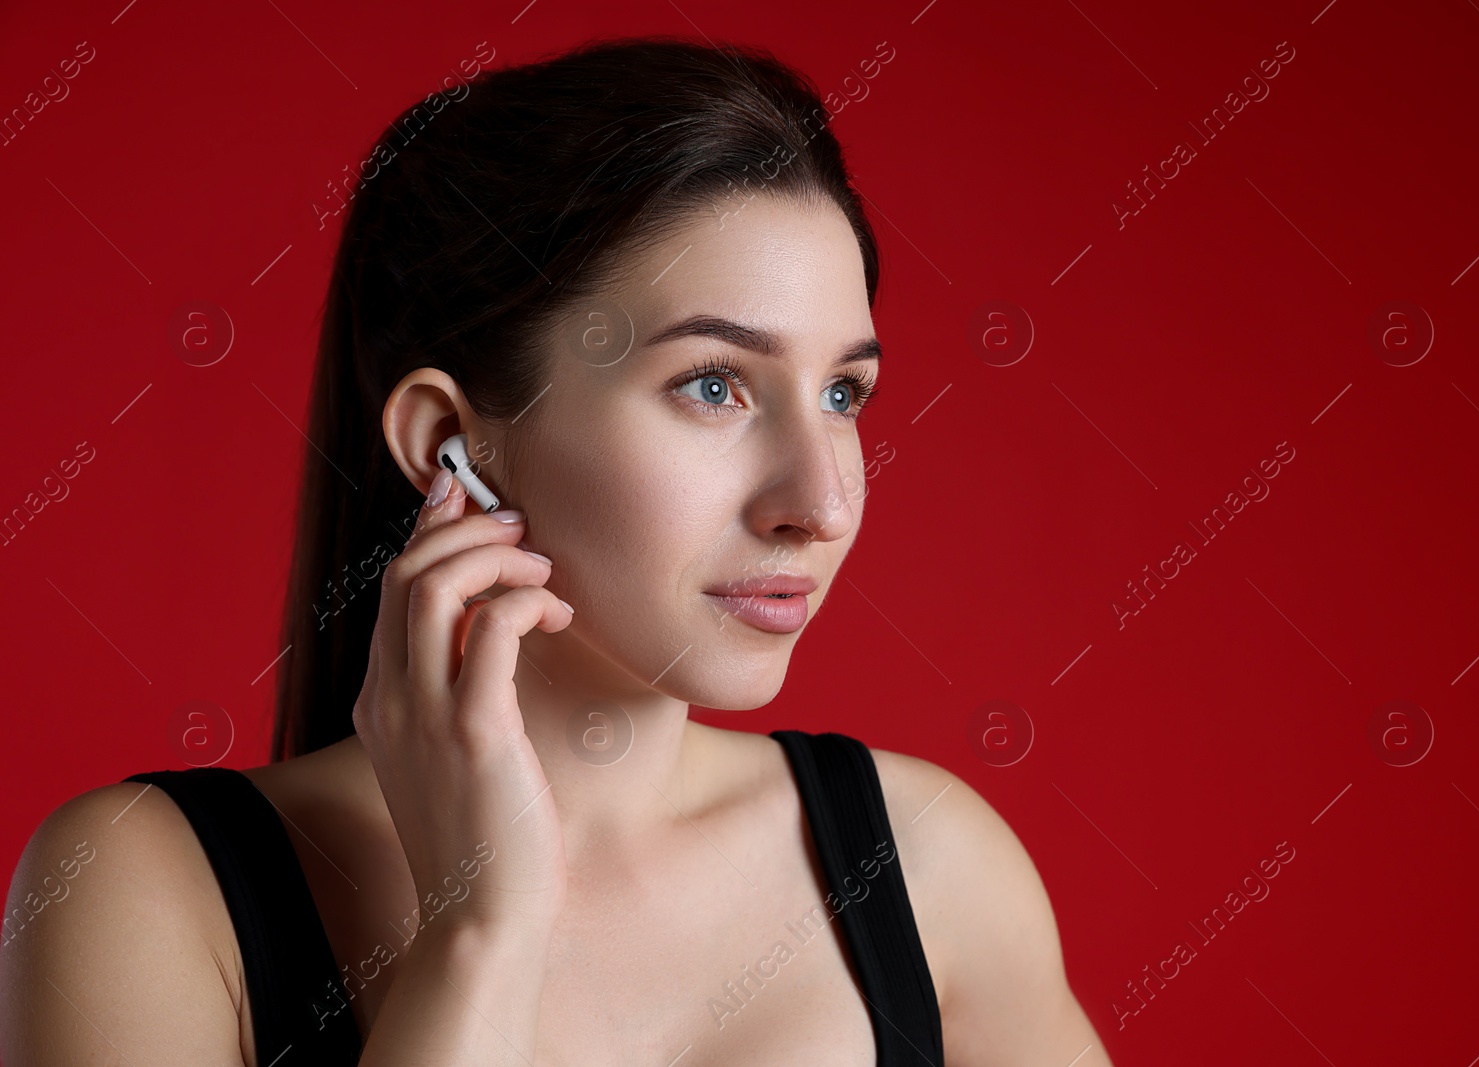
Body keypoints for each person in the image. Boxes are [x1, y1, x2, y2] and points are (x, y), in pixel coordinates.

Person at [0, 35, 1114, 1066]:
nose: (820, 501)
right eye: (713, 384)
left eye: (842, 391)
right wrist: (481, 929)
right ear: (448, 441)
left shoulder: (928, 866)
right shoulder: (143, 885)